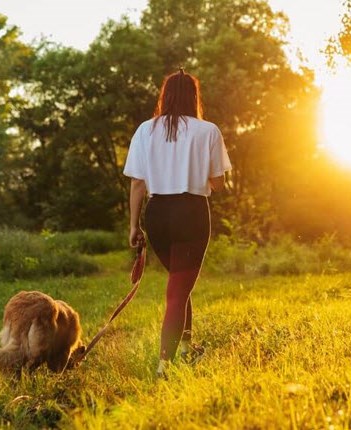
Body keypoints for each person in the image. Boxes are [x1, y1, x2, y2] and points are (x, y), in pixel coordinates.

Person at [123, 69, 232, 377]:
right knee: (177, 290)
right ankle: (164, 366)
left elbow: (136, 184)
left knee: (180, 284)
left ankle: (186, 347)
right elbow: (218, 183)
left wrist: (134, 226)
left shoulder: (145, 130)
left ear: (165, 95)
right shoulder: (207, 130)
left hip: (156, 214)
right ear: (194, 97)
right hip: (191, 212)